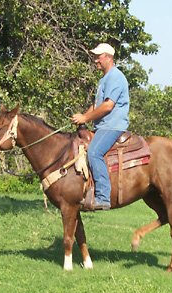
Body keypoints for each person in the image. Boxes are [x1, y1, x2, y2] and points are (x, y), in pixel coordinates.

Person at [72, 43, 130, 210]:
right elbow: (97, 105)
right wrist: (82, 119)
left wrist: (85, 117)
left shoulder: (115, 77)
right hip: (103, 125)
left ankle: (103, 197)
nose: (95, 60)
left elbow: (107, 106)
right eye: (95, 56)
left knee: (94, 152)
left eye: (98, 56)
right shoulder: (104, 79)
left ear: (109, 58)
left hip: (112, 125)